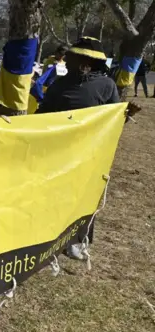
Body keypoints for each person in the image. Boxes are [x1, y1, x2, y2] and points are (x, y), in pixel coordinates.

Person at [35, 37, 141, 260]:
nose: (69, 61)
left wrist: (126, 115)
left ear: (87, 62)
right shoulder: (59, 85)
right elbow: (41, 116)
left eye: (75, 58)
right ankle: (52, 239)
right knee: (58, 197)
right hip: (60, 155)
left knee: (86, 197)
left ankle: (79, 240)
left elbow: (112, 121)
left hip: (91, 156)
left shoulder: (106, 86)